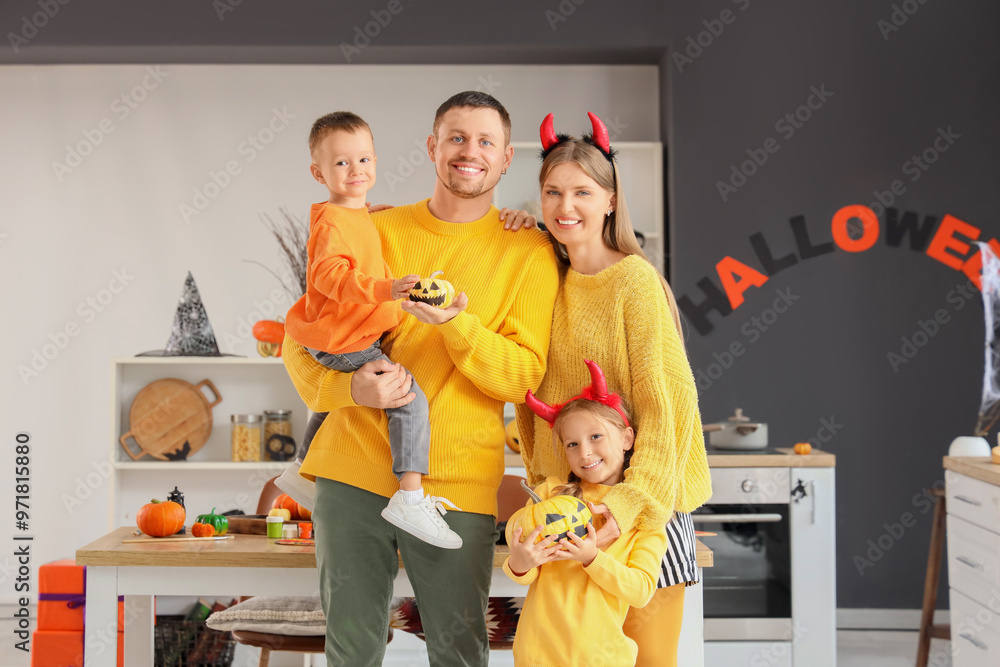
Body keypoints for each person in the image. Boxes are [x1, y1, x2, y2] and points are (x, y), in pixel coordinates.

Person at [281, 91, 559, 666]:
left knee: (459, 651)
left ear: (507, 159)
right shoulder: (374, 227)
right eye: (456, 137)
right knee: (351, 651)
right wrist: (348, 390)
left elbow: (522, 375)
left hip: (456, 483)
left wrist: (459, 325)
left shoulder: (529, 251)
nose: (469, 152)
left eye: (486, 142)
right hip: (353, 468)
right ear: (433, 147)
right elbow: (302, 337)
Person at [510, 112, 713, 667]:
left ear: (610, 199)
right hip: (576, 512)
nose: (564, 206)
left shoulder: (635, 282)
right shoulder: (548, 278)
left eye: (581, 191)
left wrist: (621, 511)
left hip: (644, 512)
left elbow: (663, 409)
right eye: (552, 192)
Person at [284, 111, 461, 548]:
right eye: (342, 163)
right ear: (318, 172)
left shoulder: (353, 213)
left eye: (364, 160)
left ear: (376, 163)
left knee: (334, 405)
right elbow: (330, 276)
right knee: (408, 397)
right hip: (346, 339)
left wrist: (369, 215)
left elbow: (355, 231)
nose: (356, 171)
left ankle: (302, 466)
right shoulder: (330, 223)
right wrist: (385, 289)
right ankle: (410, 496)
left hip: (348, 336)